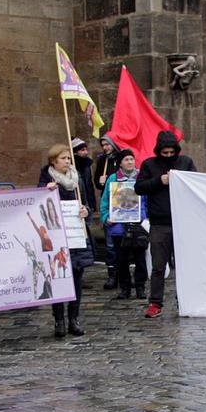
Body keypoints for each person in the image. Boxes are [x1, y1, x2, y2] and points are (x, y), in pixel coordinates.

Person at [135, 130, 194, 319]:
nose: (168, 156)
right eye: (165, 152)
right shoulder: (149, 165)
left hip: (182, 221)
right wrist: (159, 181)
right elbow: (139, 187)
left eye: (171, 152)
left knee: (185, 265)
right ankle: (155, 302)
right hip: (159, 223)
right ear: (159, 150)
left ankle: (184, 299)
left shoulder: (185, 162)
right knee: (158, 265)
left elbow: (196, 183)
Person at [39, 144, 92, 337]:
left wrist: (86, 211)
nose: (68, 162)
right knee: (58, 276)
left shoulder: (76, 180)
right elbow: (40, 208)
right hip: (56, 237)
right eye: (64, 158)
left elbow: (87, 203)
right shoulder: (47, 179)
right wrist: (46, 192)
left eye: (69, 158)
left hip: (76, 235)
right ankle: (59, 320)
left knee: (77, 277)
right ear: (54, 161)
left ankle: (74, 319)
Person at [98, 148, 148, 299]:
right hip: (118, 226)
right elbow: (105, 200)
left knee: (140, 258)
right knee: (122, 259)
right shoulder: (113, 179)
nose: (130, 162)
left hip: (137, 224)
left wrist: (145, 217)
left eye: (132, 159)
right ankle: (125, 288)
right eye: (126, 159)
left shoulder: (141, 177)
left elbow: (147, 200)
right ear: (120, 163)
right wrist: (107, 217)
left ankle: (140, 287)